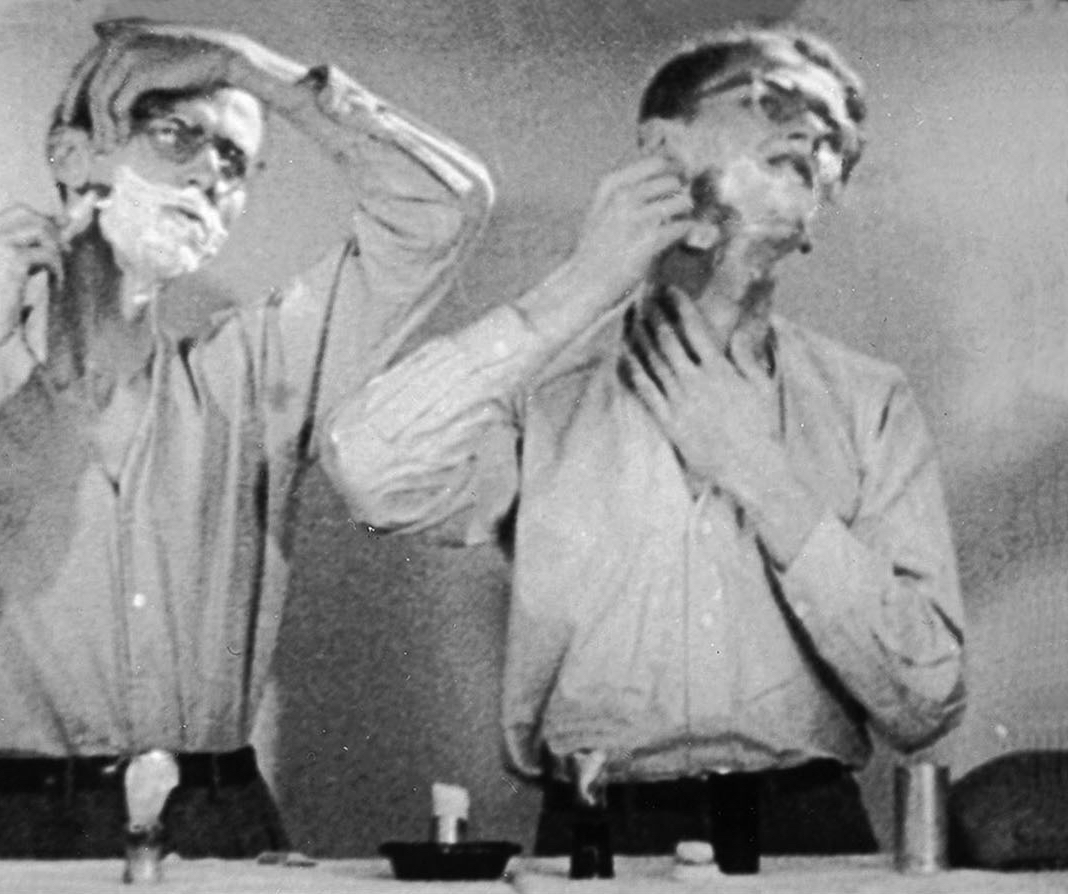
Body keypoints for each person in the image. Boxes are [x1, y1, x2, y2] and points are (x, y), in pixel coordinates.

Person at [0, 18, 491, 859]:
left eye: (234, 161)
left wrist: (250, 68)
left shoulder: (252, 376)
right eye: (175, 134)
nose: (209, 173)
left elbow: (443, 209)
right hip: (29, 834)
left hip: (222, 823)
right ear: (74, 158)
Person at [321, 27, 964, 858]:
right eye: (773, 99)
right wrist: (584, 283)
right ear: (664, 148)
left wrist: (757, 473)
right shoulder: (543, 389)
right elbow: (370, 476)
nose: (812, 133)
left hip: (810, 839)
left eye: (836, 137)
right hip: (599, 833)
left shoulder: (871, 402)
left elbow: (928, 700)